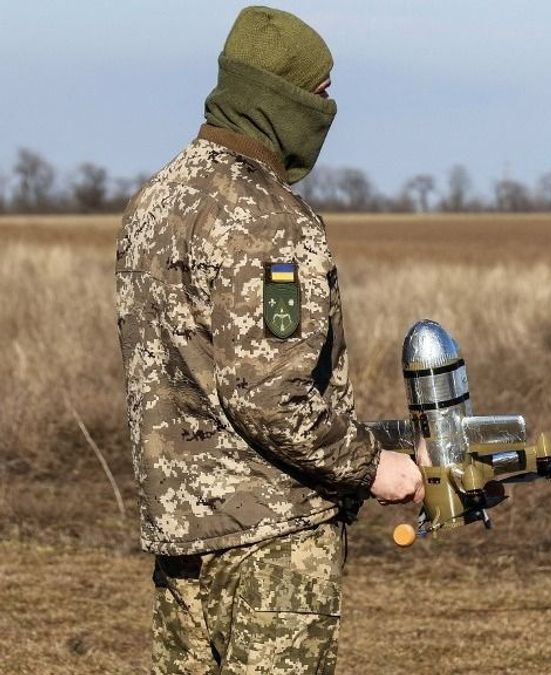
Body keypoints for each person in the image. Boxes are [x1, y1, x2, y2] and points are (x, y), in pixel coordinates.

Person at [115, 6, 425, 673]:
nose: (328, 109)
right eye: (320, 93)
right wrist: (377, 466)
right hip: (271, 542)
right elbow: (270, 396)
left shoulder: (157, 200)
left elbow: (205, 386)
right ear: (280, 96)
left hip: (183, 535)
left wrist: (389, 436)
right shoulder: (268, 218)